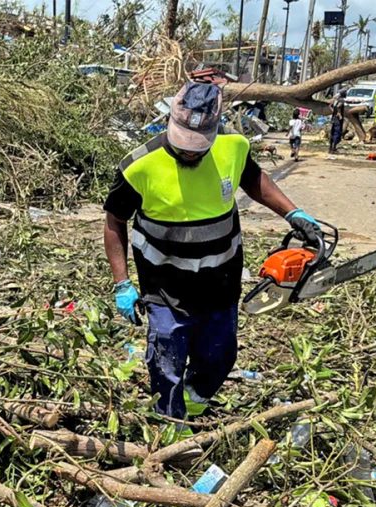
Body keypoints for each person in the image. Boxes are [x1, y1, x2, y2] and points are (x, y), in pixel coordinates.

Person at [103, 81, 323, 421]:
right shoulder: (139, 166)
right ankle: (170, 426)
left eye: (198, 146)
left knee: (220, 357)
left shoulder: (232, 148)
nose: (190, 152)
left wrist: (292, 213)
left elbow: (254, 180)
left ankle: (193, 401)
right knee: (166, 364)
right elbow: (114, 222)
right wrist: (122, 283)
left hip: (220, 284)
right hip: (165, 289)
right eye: (183, 144)